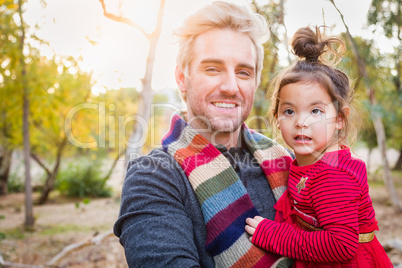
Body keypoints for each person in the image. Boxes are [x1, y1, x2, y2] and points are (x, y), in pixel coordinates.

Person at [114, 1, 294, 267]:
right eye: (213, 68)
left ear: (255, 82)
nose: (231, 87)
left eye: (243, 72)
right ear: (181, 78)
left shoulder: (287, 160)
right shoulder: (153, 176)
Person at [245, 26, 393, 267]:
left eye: (316, 111)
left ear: (339, 119)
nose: (301, 122)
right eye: (289, 111)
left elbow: (341, 246)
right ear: (277, 118)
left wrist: (273, 235)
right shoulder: (311, 161)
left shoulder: (332, 175)